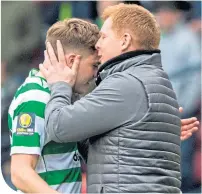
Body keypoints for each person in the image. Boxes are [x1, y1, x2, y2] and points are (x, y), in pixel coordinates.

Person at [40, 3, 199, 193]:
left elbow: (58, 126)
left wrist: (61, 84)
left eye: (104, 37)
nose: (97, 45)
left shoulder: (127, 83)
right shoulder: (149, 78)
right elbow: (104, 154)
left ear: (124, 41)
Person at [8, 18, 100, 193]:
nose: (96, 74)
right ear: (72, 61)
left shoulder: (62, 94)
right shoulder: (35, 96)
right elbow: (20, 173)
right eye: (94, 65)